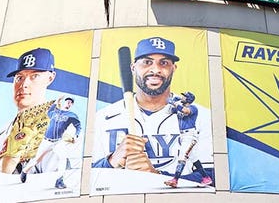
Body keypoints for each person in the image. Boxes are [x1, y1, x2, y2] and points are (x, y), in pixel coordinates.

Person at [91, 37, 214, 186]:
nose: (156, 70)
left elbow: (213, 179)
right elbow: (83, 179)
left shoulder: (201, 116)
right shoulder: (103, 118)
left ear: (173, 68)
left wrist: (157, 176)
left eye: (164, 63)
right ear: (132, 68)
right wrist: (110, 162)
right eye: (147, 62)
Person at [0, 47, 80, 188]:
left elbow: (54, 192)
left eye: (34, 76)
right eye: (19, 78)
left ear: (50, 78)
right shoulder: (4, 129)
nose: (24, 85)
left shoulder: (55, 127)